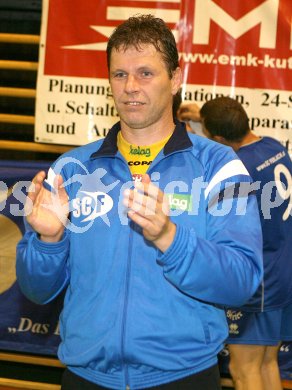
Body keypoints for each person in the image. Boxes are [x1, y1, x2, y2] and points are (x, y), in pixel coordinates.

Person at [16, 16, 263, 390]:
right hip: (86, 377)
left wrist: (170, 237)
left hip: (184, 377)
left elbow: (242, 280)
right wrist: (49, 242)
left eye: (146, 73)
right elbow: (35, 290)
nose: (130, 87)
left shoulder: (220, 166)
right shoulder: (72, 169)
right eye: (120, 74)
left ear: (175, 79)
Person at [196, 96, 292, 390]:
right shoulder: (274, 146)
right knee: (266, 363)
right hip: (283, 271)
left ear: (220, 139)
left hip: (261, 280)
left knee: (243, 368)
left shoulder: (239, 168)